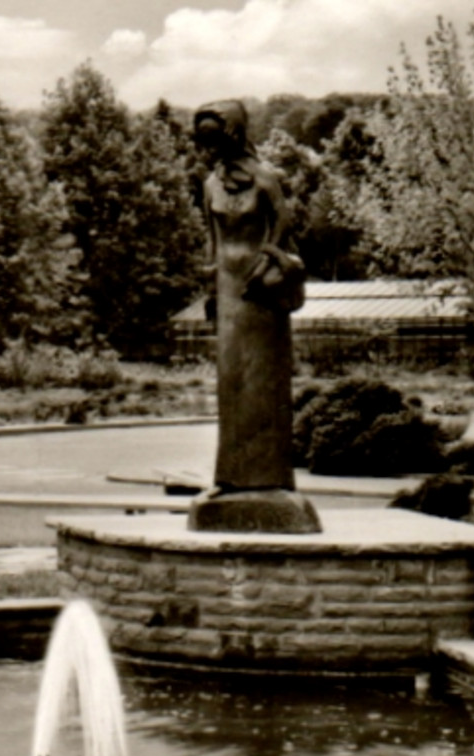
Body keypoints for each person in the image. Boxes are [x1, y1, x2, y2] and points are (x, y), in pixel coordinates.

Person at [188, 100, 319, 533]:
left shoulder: (265, 179)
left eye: (214, 140)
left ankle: (271, 480)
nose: (208, 151)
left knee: (262, 382)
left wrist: (269, 264)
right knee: (232, 385)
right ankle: (231, 478)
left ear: (234, 134)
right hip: (227, 291)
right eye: (203, 143)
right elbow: (211, 243)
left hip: (259, 291)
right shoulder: (210, 185)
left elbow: (283, 232)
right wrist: (210, 288)